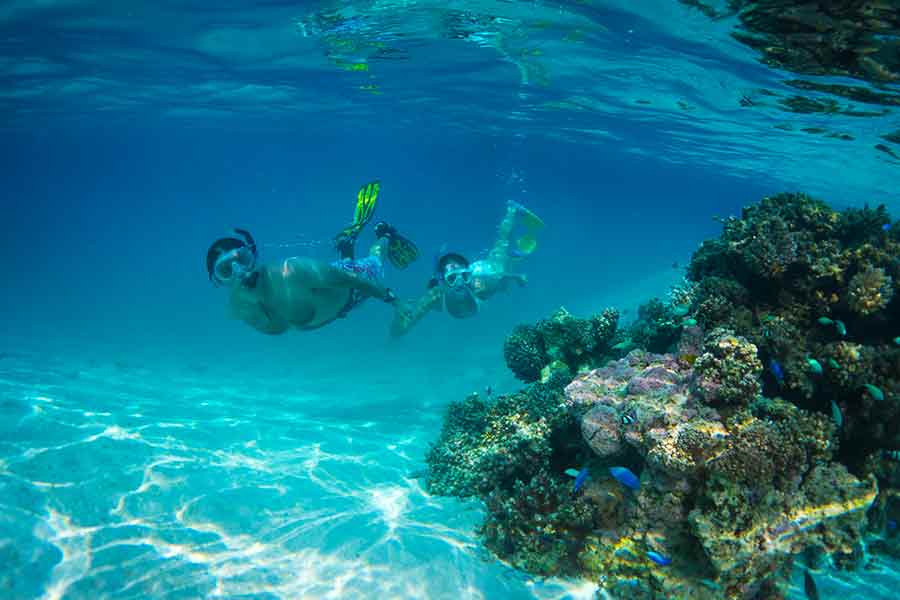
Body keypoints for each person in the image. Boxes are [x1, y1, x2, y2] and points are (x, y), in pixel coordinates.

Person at [205, 181, 419, 335]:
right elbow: (279, 327)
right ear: (218, 281)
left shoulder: (294, 270)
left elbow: (357, 281)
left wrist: (396, 302)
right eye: (225, 270)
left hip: (353, 291)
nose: (239, 271)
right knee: (343, 267)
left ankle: (385, 235)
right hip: (333, 290)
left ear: (252, 254)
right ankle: (347, 242)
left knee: (376, 262)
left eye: (241, 260)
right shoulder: (239, 308)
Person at [390, 200, 544, 337]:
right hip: (481, 286)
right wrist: (399, 314)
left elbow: (502, 274)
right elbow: (400, 331)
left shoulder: (481, 278)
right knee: (502, 267)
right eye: (451, 278)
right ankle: (513, 256)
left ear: (469, 274)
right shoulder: (435, 295)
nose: (459, 283)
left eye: (463, 276)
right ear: (443, 281)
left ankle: (512, 210)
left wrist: (517, 277)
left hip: (490, 270)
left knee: (501, 249)